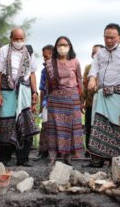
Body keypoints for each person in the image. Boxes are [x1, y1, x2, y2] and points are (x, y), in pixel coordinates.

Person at [86, 23, 120, 168]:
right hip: (102, 95)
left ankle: (115, 162)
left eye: (112, 37)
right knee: (98, 127)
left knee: (116, 129)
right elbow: (94, 69)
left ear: (119, 37)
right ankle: (97, 161)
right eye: (106, 37)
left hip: (119, 96)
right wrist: (92, 79)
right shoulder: (100, 53)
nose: (108, 40)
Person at [0, 28, 39, 167]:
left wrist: (35, 92)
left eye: (21, 39)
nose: (19, 42)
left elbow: (32, 73)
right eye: (16, 39)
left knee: (25, 122)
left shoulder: (29, 51)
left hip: (24, 91)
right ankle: (5, 158)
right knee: (6, 122)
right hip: (7, 91)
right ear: (11, 38)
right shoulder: (3, 51)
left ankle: (23, 158)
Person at [45, 36, 84, 166]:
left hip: (72, 98)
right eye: (60, 45)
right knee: (54, 128)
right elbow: (47, 84)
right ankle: (52, 157)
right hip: (55, 99)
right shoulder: (50, 62)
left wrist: (82, 98)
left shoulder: (75, 61)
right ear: (56, 47)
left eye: (65, 44)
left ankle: (68, 157)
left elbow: (80, 80)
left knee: (70, 127)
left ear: (70, 46)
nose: (62, 47)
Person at [82, 44, 103, 154]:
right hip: (90, 103)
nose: (95, 55)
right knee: (89, 126)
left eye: (98, 52)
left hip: (102, 103)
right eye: (93, 52)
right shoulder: (88, 68)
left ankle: (100, 151)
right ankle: (89, 151)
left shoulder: (106, 67)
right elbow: (84, 85)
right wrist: (82, 100)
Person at [35, 44, 54, 161]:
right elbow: (42, 90)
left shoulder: (62, 68)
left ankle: (58, 152)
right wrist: (41, 107)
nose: (45, 59)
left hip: (59, 102)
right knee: (45, 126)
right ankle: (43, 151)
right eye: (44, 57)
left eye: (47, 57)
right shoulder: (43, 71)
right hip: (47, 102)